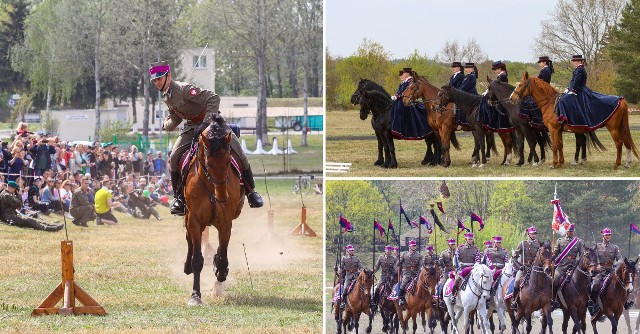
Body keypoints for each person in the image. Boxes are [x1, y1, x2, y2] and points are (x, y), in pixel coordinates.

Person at [149, 60, 263, 215]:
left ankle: (251, 192)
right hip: (191, 127)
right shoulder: (167, 96)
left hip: (212, 123)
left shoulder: (184, 89)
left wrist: (205, 123)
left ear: (168, 75)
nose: (156, 82)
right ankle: (178, 199)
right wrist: (166, 125)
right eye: (154, 80)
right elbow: (176, 119)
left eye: (159, 78)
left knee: (238, 151)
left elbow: (214, 98)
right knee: (174, 156)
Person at [557, 55, 622, 129]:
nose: (573, 63)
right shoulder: (578, 69)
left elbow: (576, 81)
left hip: (578, 90)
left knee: (563, 100)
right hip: (577, 89)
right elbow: (573, 81)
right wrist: (568, 88)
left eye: (574, 61)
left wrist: (572, 90)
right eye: (573, 61)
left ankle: (564, 118)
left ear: (579, 61)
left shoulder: (580, 69)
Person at [588, 228, 631, 314]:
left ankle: (626, 302)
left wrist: (617, 265)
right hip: (600, 271)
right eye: (606, 235)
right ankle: (593, 303)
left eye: (609, 235)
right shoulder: (597, 246)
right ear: (603, 236)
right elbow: (592, 258)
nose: (608, 236)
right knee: (596, 283)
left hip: (611, 270)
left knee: (623, 282)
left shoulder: (615, 247)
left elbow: (620, 259)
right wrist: (597, 265)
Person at [389, 67, 430, 140]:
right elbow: (400, 91)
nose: (403, 74)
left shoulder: (410, 81)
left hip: (408, 100)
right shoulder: (405, 82)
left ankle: (400, 129)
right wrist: (396, 96)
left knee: (399, 108)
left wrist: (397, 96)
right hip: (402, 99)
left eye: (404, 73)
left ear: (407, 74)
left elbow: (406, 92)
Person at [551, 224, 584, 310]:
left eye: (572, 231)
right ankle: (553, 300)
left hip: (574, 266)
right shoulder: (560, 241)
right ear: (566, 232)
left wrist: (578, 262)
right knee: (555, 280)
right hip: (562, 266)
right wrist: (552, 256)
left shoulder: (578, 241)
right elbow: (555, 253)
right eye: (570, 231)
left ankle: (585, 300)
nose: (571, 233)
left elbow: (582, 255)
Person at [511, 226, 541, 309]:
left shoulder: (538, 244)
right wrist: (520, 267)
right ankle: (514, 300)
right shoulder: (522, 243)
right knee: (517, 280)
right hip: (524, 267)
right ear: (528, 234)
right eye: (532, 233)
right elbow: (514, 257)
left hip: (536, 269)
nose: (534, 235)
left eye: (535, 233)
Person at [451, 233, 481, 303]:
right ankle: (454, 296)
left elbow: (477, 260)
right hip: (461, 269)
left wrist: (475, 267)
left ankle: (482, 297)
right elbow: (456, 259)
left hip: (472, 269)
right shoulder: (460, 248)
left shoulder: (476, 249)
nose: (470, 240)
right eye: (469, 239)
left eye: (471, 239)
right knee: (457, 280)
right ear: (466, 239)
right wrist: (457, 268)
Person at [372, 245, 398, 310]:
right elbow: (377, 267)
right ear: (385, 251)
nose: (389, 252)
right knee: (377, 288)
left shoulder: (394, 259)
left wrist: (394, 271)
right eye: (388, 251)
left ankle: (399, 303)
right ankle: (374, 303)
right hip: (383, 276)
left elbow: (395, 268)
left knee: (396, 287)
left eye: (390, 251)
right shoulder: (381, 258)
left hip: (391, 276)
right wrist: (373, 272)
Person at [397, 239, 422, 306]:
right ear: (409, 247)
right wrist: (399, 261)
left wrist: (420, 271)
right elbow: (398, 264)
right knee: (404, 282)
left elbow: (421, 265)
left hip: (416, 273)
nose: (413, 247)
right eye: (412, 246)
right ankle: (401, 298)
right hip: (407, 273)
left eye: (414, 246)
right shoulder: (404, 254)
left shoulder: (419, 255)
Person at [340, 244, 362, 308]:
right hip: (348, 277)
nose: (352, 251)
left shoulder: (357, 258)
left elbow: (360, 266)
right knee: (345, 289)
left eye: (353, 250)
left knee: (363, 287)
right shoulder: (344, 258)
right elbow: (341, 266)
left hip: (356, 276)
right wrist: (339, 269)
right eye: (351, 250)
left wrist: (360, 271)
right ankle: (343, 302)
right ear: (347, 251)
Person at [437, 238, 457, 308]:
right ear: (449, 245)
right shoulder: (444, 253)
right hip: (447, 271)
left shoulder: (458, 252)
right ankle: (442, 300)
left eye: (454, 244)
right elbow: (440, 261)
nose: (453, 245)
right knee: (443, 284)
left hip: (456, 271)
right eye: (451, 244)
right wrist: (440, 263)